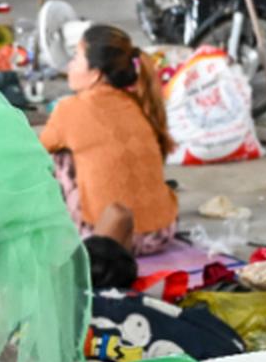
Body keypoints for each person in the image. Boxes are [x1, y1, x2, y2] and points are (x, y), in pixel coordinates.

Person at [39, 23, 178, 255]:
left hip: (108, 240)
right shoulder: (137, 103)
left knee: (56, 159)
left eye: (76, 57)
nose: (70, 65)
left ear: (96, 73)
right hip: (161, 233)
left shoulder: (70, 109)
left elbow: (34, 154)